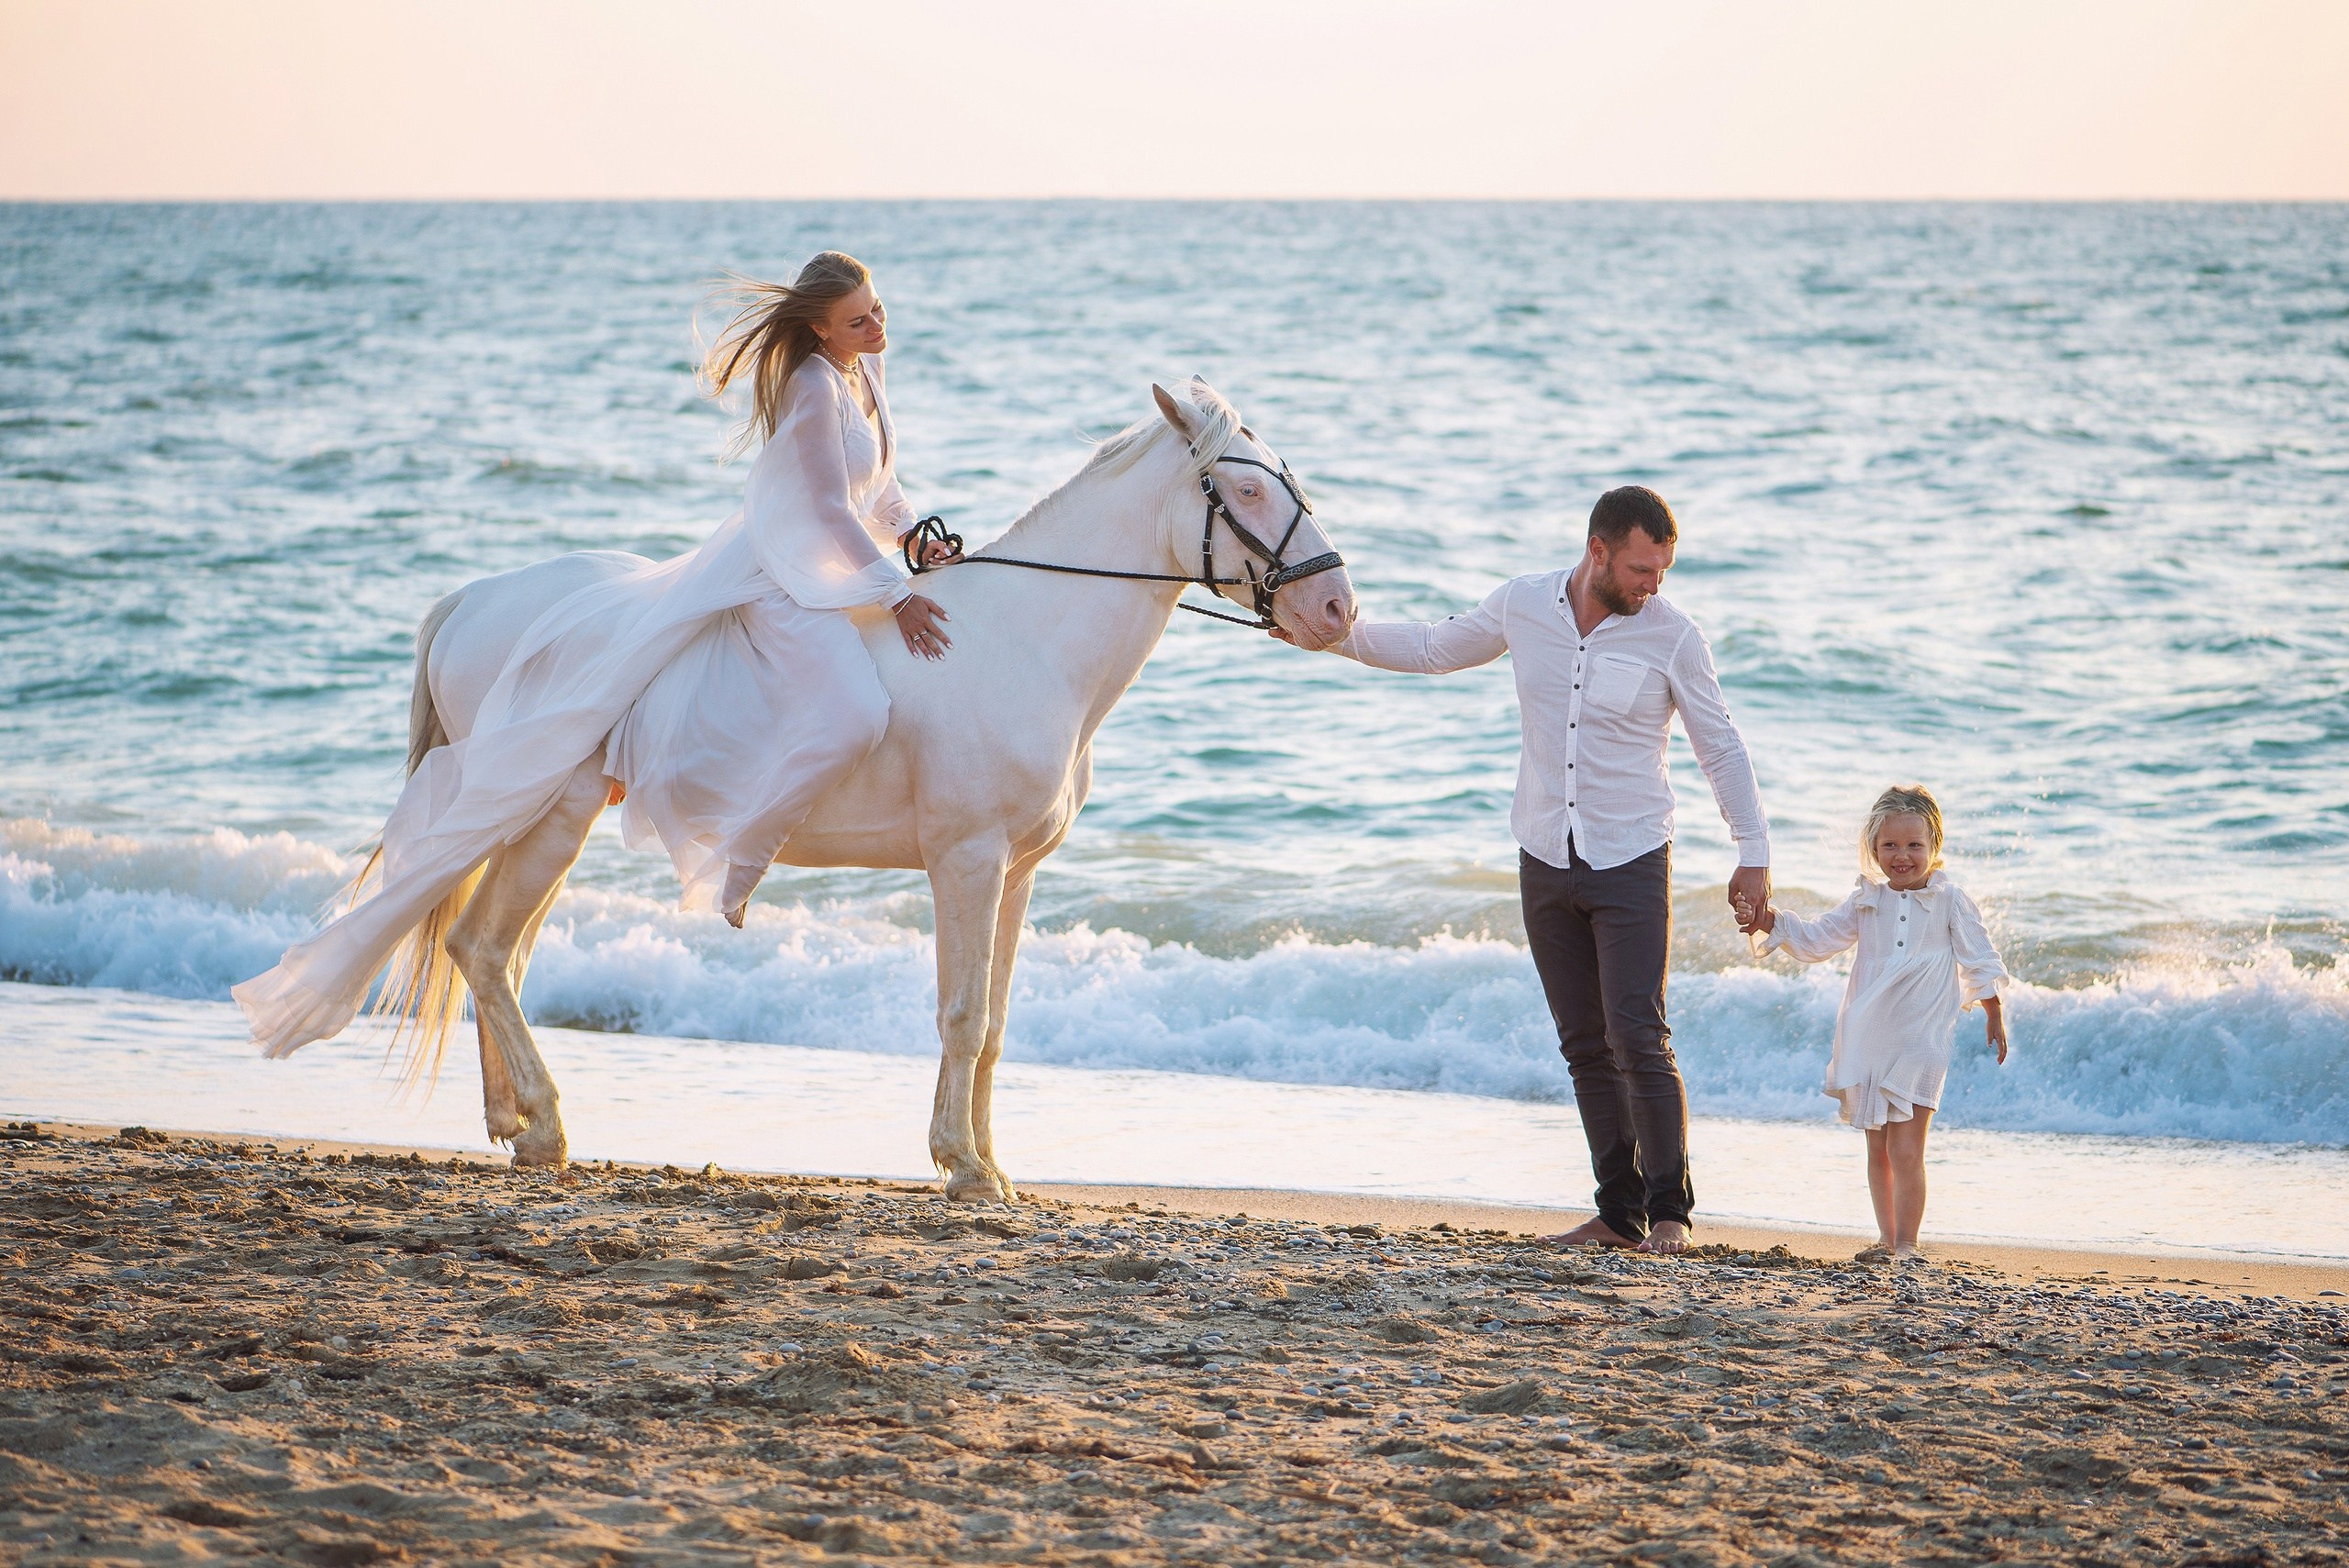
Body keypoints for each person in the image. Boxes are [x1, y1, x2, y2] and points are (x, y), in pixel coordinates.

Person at [234, 250, 952, 1053]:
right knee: (856, 712)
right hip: (785, 569)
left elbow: (877, 493)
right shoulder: (814, 385)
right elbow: (824, 506)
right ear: (821, 328)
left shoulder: (864, 376)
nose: (877, 325)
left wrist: (923, 542)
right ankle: (741, 861)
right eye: (859, 319)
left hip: (826, 565)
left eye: (879, 308)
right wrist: (897, 594)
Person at [1286, 485, 1768, 1255]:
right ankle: (1617, 1213)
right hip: (1544, 852)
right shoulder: (1523, 605)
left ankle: (1670, 1210)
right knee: (1582, 1039)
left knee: (1638, 1034)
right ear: (1598, 552)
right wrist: (1331, 636)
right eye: (1643, 569)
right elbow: (1434, 648)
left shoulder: (1674, 636)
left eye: (1664, 571)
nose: (1655, 585)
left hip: (1633, 855)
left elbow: (1721, 745)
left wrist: (1753, 853)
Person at [1740, 784, 2010, 1264]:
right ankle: (1887, 1241)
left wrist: (1993, 1010)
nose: (1902, 856)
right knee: (1879, 1146)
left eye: (1914, 845)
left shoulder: (1950, 899)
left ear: (1934, 847)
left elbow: (1979, 954)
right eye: (1890, 846)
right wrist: (1769, 921)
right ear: (1874, 849)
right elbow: (1819, 937)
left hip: (1921, 1038)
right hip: (1869, 1036)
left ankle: (1908, 1243)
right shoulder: (1867, 901)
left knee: (1908, 1146)